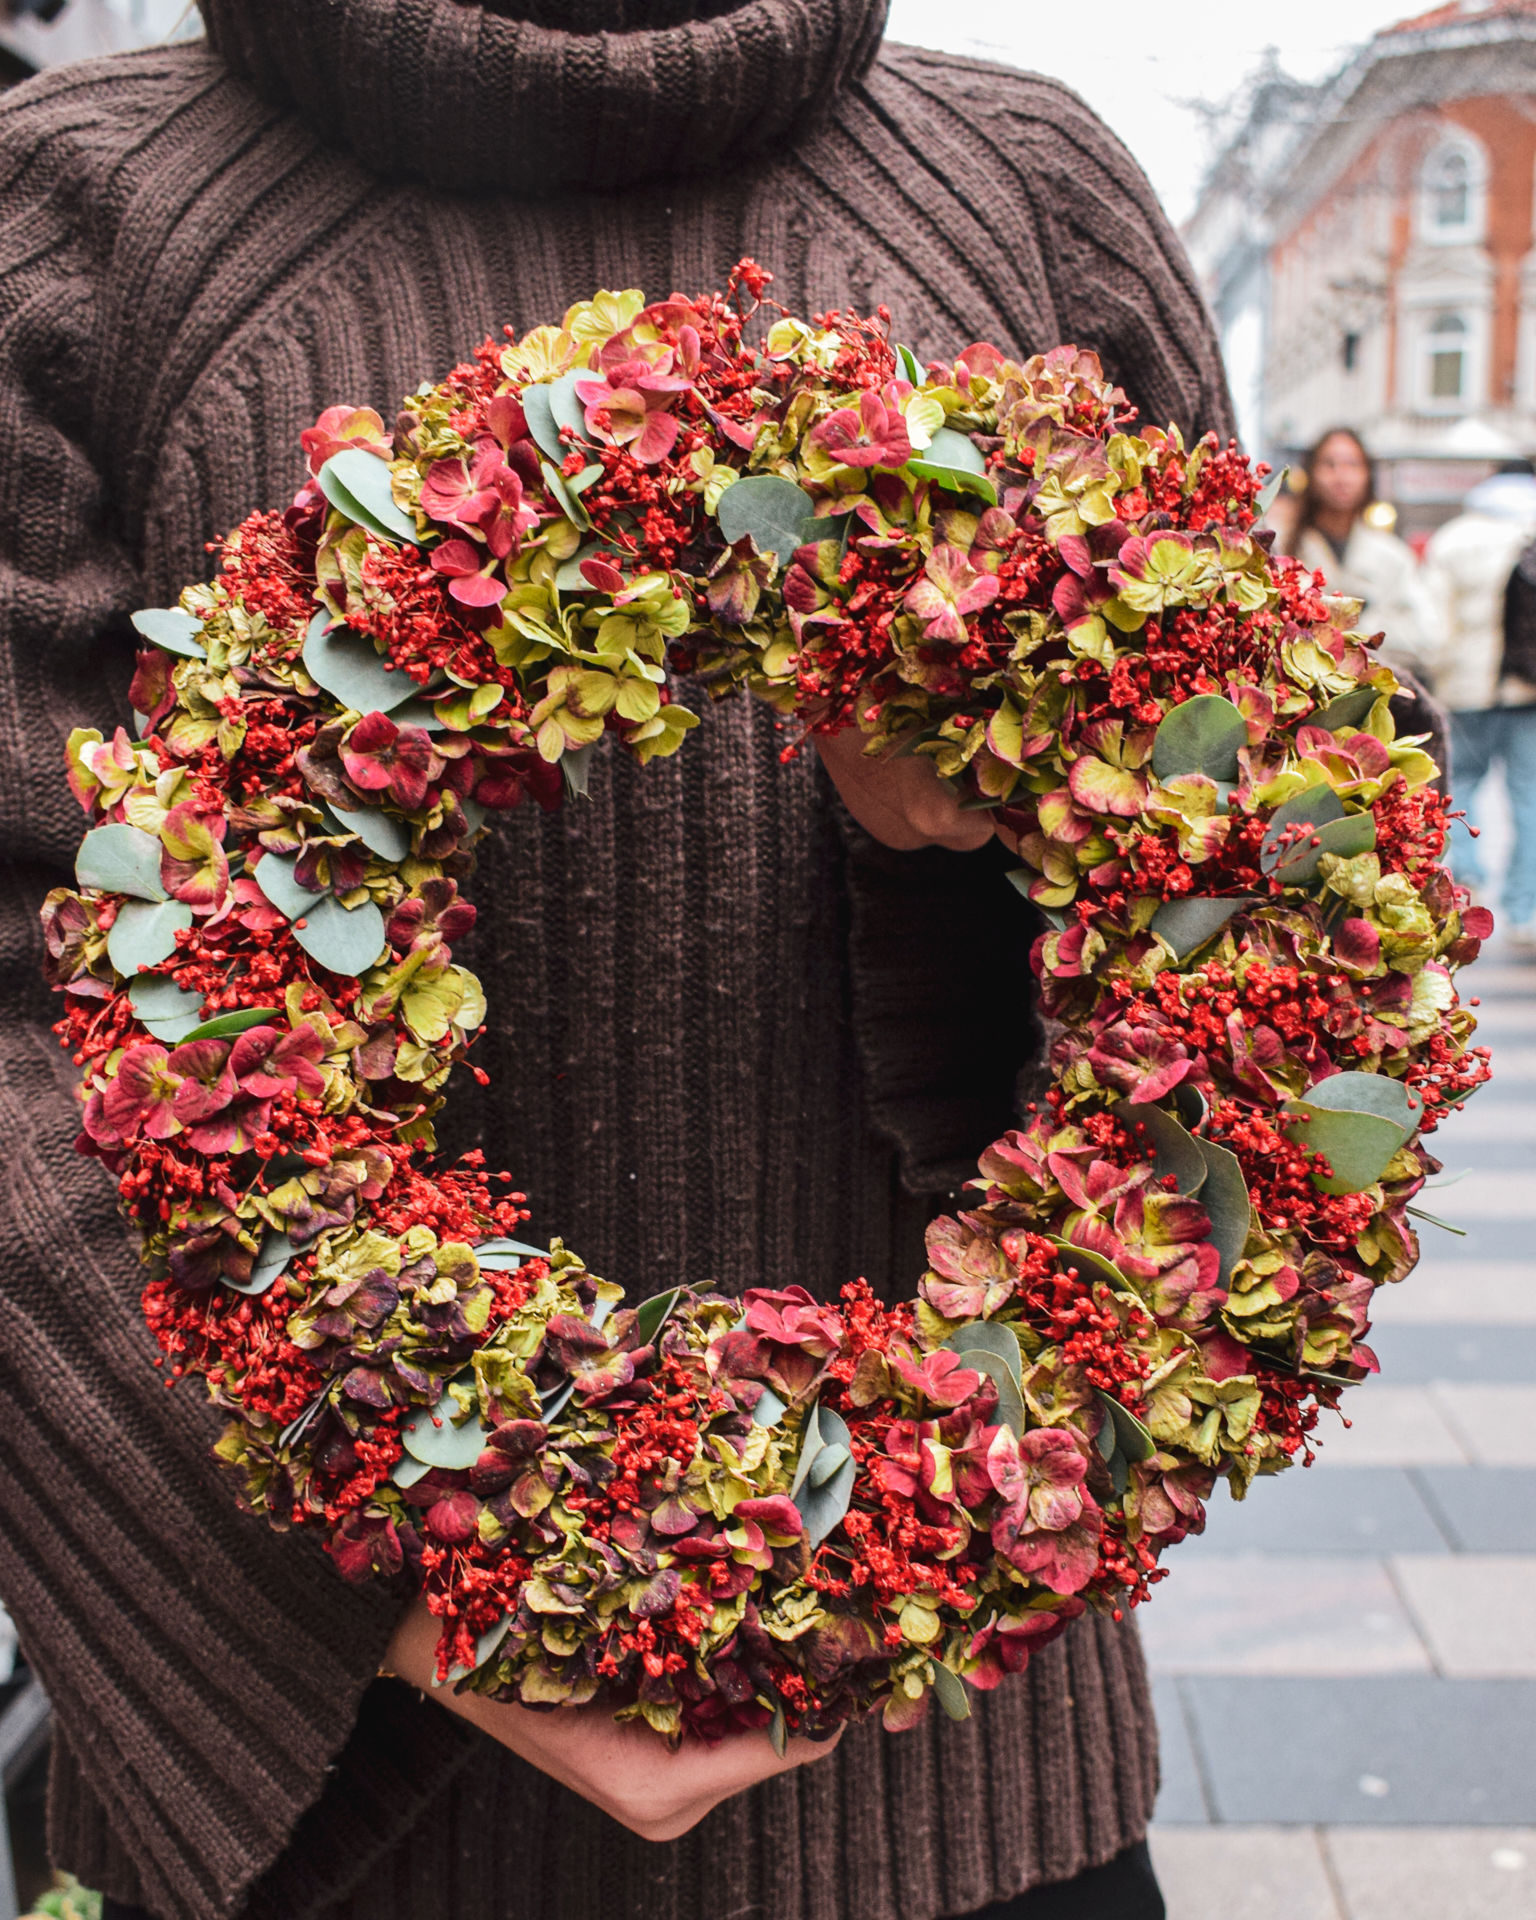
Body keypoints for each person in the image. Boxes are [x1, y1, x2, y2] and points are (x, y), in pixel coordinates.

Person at [0, 6, 1232, 1918]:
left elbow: (1250, 894)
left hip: (974, 1797)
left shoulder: (1028, 200)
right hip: (312, 1820)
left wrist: (983, 809)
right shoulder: (68, 219)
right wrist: (417, 1583)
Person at [1421, 463, 1536, 938]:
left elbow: (1431, 620)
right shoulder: (1530, 532)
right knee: (1529, 799)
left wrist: (1439, 670)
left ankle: (1465, 879)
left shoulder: (1454, 538)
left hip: (1464, 687)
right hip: (1528, 688)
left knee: (1460, 785)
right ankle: (1524, 907)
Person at [1285, 427, 1438, 678]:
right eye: (1329, 464)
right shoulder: (1287, 552)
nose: (1341, 476)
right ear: (1311, 473)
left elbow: (1426, 637)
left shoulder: (1393, 557)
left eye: (1352, 465)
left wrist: (1358, 635)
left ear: (1368, 475)